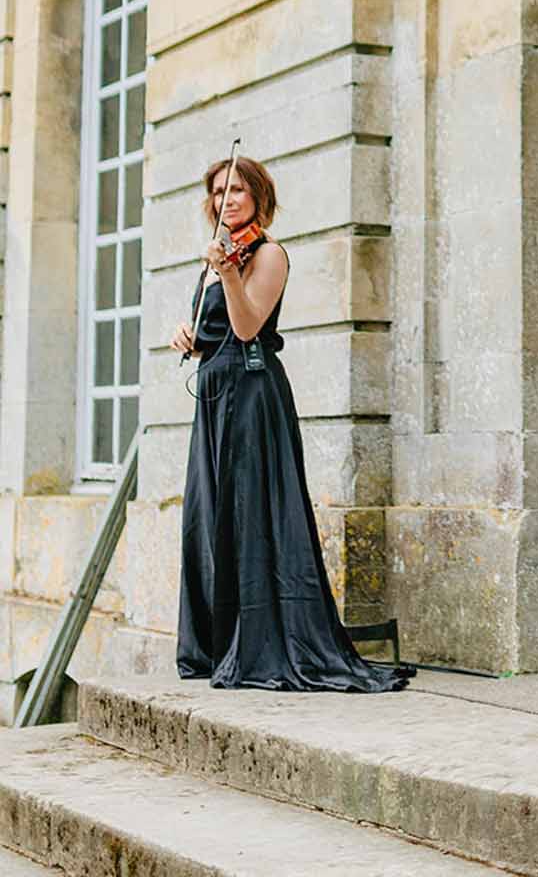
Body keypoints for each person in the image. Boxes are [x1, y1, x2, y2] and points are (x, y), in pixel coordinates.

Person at [171, 153, 412, 692]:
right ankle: (220, 641)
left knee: (252, 511)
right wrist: (189, 336)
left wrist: (230, 273)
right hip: (214, 393)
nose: (225, 199)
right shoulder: (216, 258)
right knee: (212, 516)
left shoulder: (268, 254)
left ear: (258, 196)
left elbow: (248, 324)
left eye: (235, 190)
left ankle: (260, 645)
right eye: (217, 192)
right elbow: (217, 330)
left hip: (252, 395)